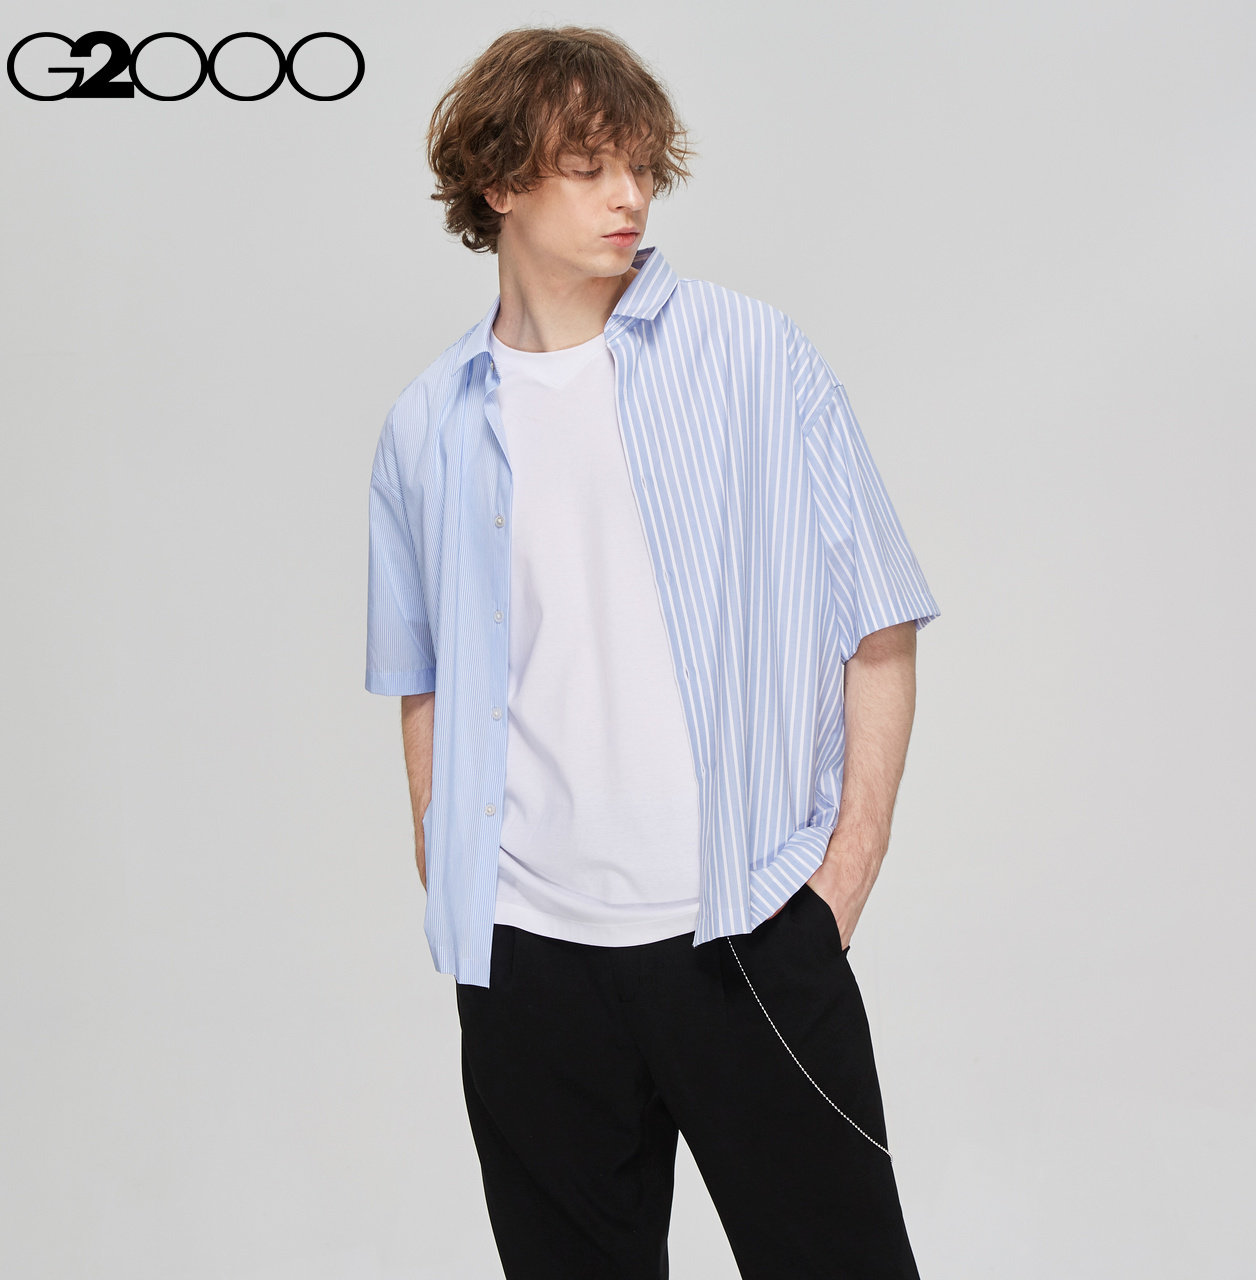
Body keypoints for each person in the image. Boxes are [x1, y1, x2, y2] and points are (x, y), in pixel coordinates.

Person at [366, 23, 940, 1280]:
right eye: (588, 166)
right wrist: (453, 868)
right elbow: (421, 679)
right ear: (498, 181)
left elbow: (878, 618)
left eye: (640, 164)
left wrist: (837, 879)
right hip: (527, 964)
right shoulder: (426, 424)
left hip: (744, 931)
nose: (628, 195)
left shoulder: (754, 357)